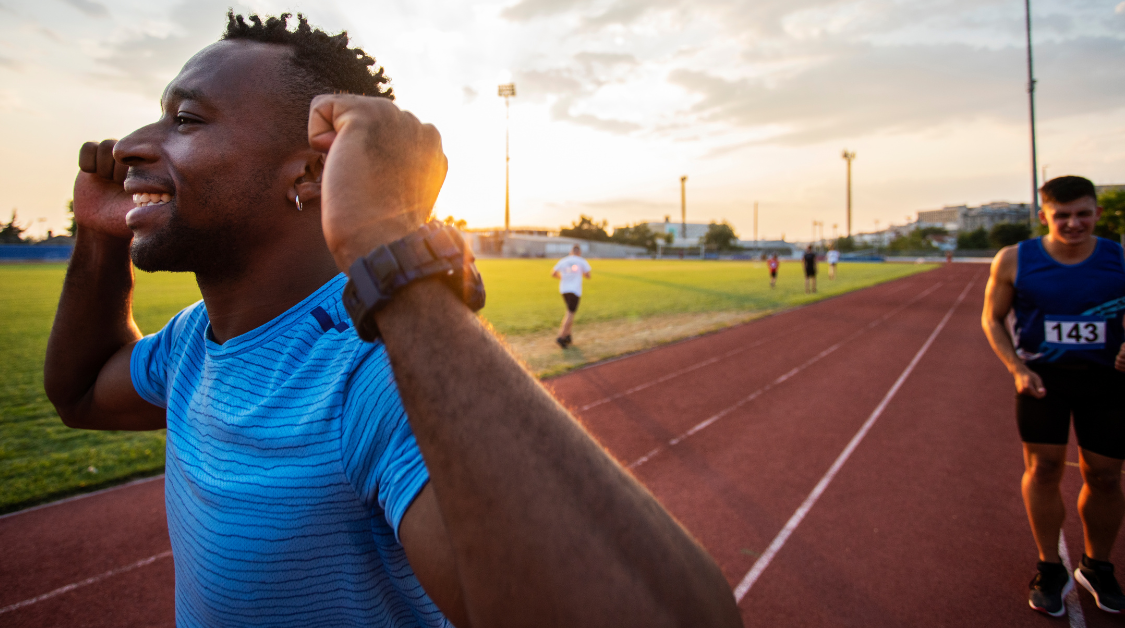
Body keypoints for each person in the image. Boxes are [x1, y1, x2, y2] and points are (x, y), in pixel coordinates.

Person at [44, 12, 740, 628]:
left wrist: (387, 239)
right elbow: (78, 392)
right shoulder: (194, 341)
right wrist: (99, 236)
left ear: (308, 176)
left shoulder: (370, 376)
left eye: (186, 120)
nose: (131, 144)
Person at [981, 175, 1125, 617]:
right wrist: (1017, 368)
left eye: (1083, 213)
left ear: (1097, 213)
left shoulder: (1119, 259)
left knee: (1104, 476)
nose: (1073, 223)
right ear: (1043, 215)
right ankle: (1049, 566)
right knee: (1042, 469)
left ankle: (1096, 566)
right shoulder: (1013, 260)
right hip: (1043, 381)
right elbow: (992, 320)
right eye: (1061, 215)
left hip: (1106, 381)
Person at [552, 244, 591, 348]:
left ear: (571, 251)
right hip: (575, 290)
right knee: (570, 313)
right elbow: (588, 275)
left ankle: (568, 335)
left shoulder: (563, 261)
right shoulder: (581, 261)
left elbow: (553, 273)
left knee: (570, 312)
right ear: (579, 252)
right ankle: (561, 337)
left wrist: (562, 278)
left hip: (564, 290)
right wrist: (579, 273)